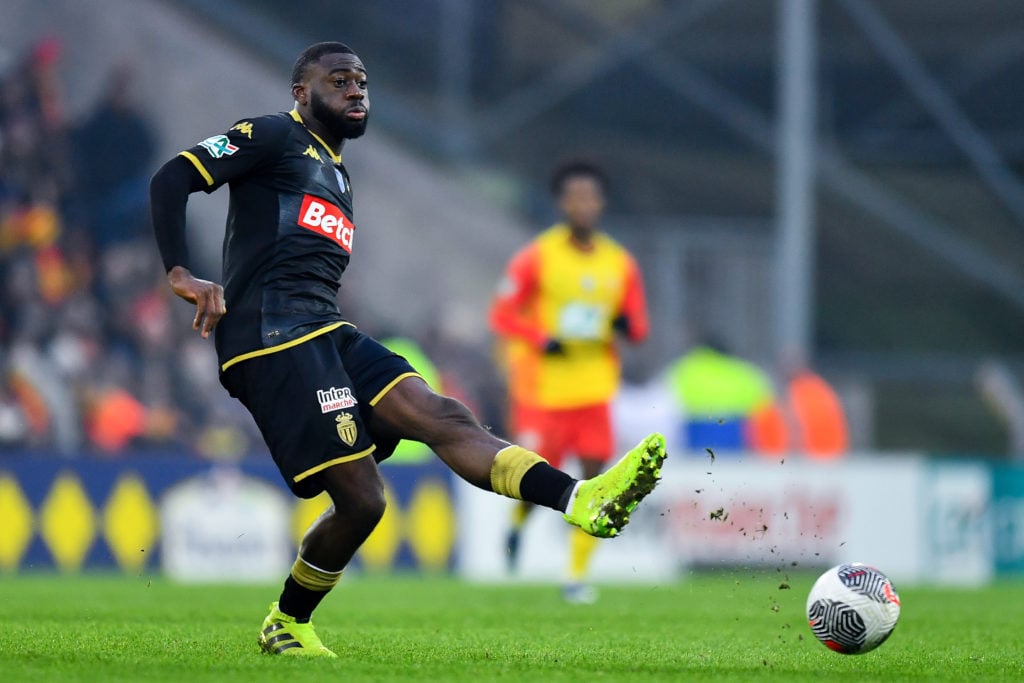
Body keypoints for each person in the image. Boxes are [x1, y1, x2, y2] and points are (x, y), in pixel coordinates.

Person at [149, 42, 666, 657]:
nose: (356, 91)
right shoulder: (269, 135)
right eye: (339, 81)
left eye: (362, 82)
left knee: (443, 415)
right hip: (271, 336)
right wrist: (180, 271)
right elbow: (173, 177)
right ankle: (286, 622)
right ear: (300, 93)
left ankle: (580, 499)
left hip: (326, 331)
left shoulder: (337, 172)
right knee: (363, 500)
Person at [489, 160, 650, 604]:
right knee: (537, 475)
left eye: (591, 196)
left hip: (595, 390)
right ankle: (518, 523)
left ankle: (575, 577)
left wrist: (625, 323)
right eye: (575, 196)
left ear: (601, 203)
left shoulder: (619, 263)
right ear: (562, 202)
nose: (584, 204)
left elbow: (638, 328)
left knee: (595, 481)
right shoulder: (538, 256)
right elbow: (501, 315)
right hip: (546, 392)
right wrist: (542, 339)